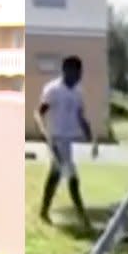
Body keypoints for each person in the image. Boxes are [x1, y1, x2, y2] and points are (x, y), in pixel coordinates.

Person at [34, 56, 96, 231]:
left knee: (55, 175)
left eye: (80, 72)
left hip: (67, 140)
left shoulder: (77, 93)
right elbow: (39, 112)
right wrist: (44, 132)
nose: (79, 76)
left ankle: (44, 211)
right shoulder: (53, 90)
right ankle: (82, 217)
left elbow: (80, 116)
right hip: (55, 139)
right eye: (77, 72)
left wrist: (91, 137)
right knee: (72, 176)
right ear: (67, 71)